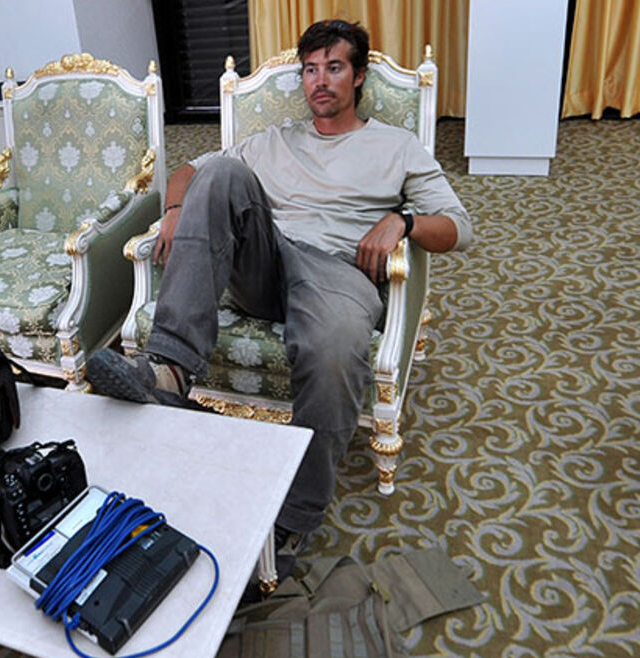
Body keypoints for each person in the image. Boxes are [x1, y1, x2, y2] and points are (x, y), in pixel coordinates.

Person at [86, 19, 473, 554]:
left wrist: (403, 221)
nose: (320, 81)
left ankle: (295, 515)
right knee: (219, 174)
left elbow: (459, 229)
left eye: (333, 68)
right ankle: (169, 369)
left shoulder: (396, 145)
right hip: (266, 262)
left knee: (335, 348)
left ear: (358, 75)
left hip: (338, 271)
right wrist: (174, 210)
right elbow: (188, 170)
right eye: (310, 70)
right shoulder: (273, 141)